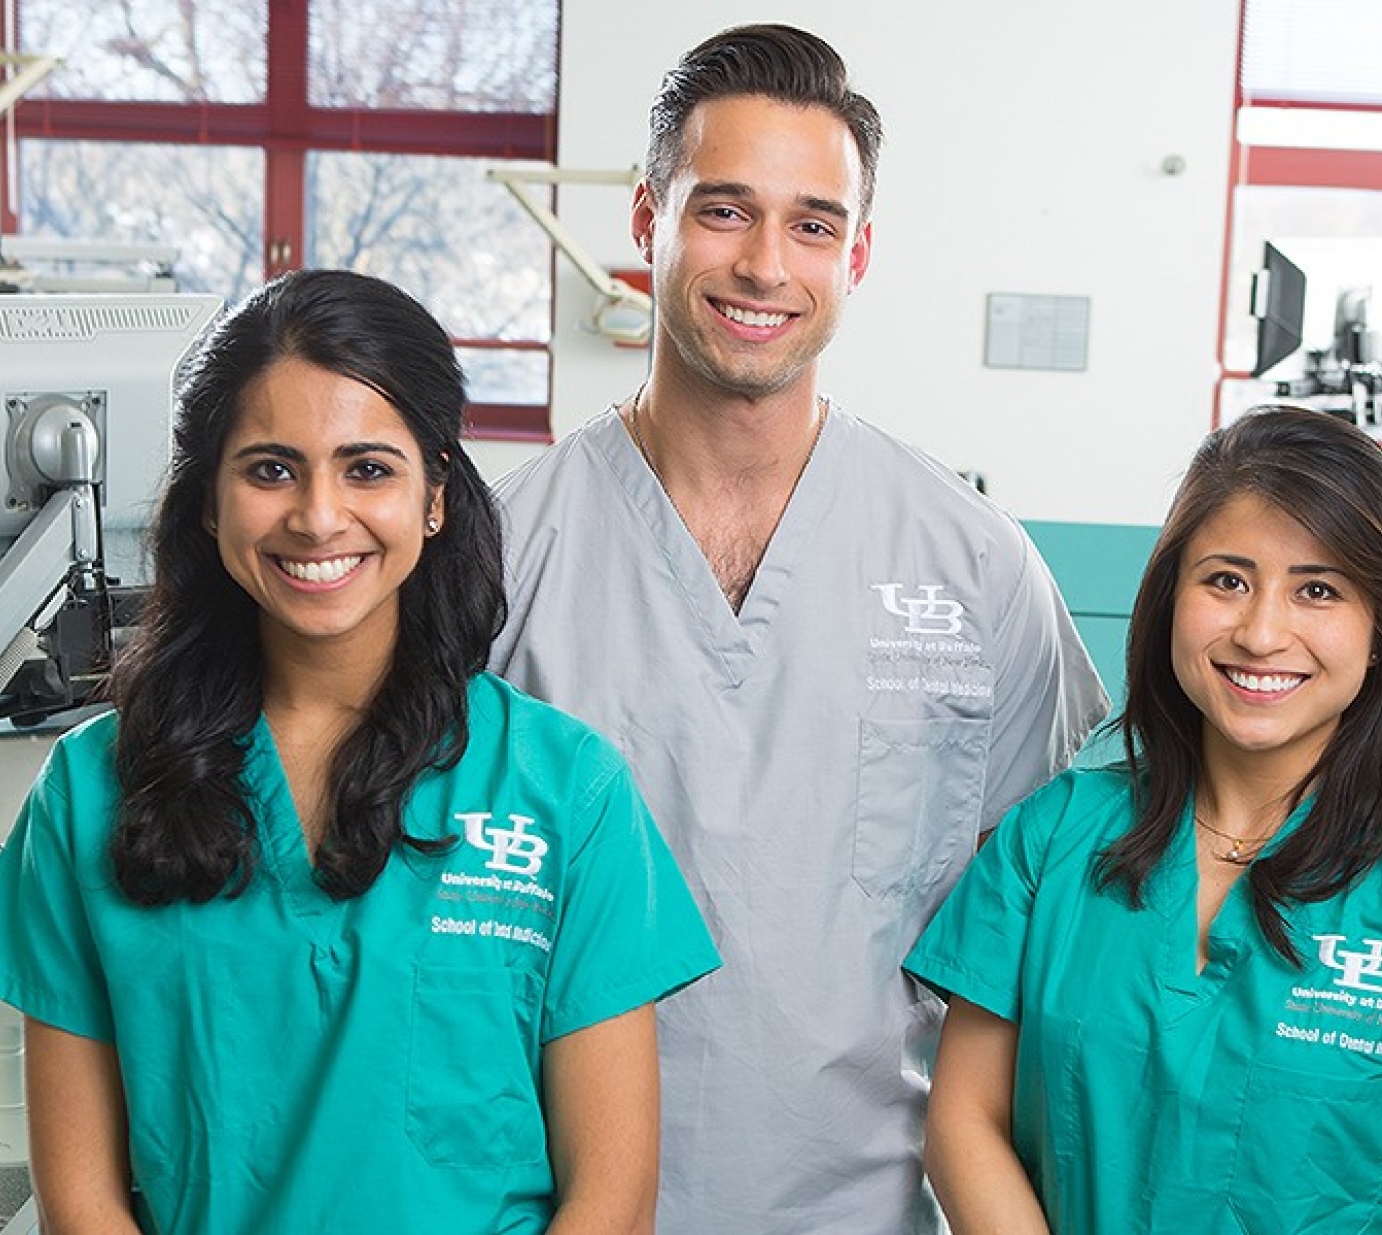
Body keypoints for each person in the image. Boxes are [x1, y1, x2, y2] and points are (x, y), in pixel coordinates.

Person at [489, 23, 1108, 1234]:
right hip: (556, 1203)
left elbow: (1037, 937)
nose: (765, 263)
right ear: (646, 219)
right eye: (722, 211)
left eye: (812, 223)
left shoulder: (975, 565)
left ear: (857, 253)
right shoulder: (506, 555)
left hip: (871, 1207)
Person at [0, 269, 720, 1234]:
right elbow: (85, 1199)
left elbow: (609, 1200)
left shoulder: (567, 792)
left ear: (434, 496)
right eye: (270, 468)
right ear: (207, 504)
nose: (319, 516)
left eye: (368, 468)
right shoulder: (92, 790)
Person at [904, 406, 1382, 1234]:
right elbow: (964, 1120)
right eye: (1225, 580)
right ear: (1172, 597)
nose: (1261, 631)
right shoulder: (1051, 838)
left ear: (1381, 627)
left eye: (1317, 589)